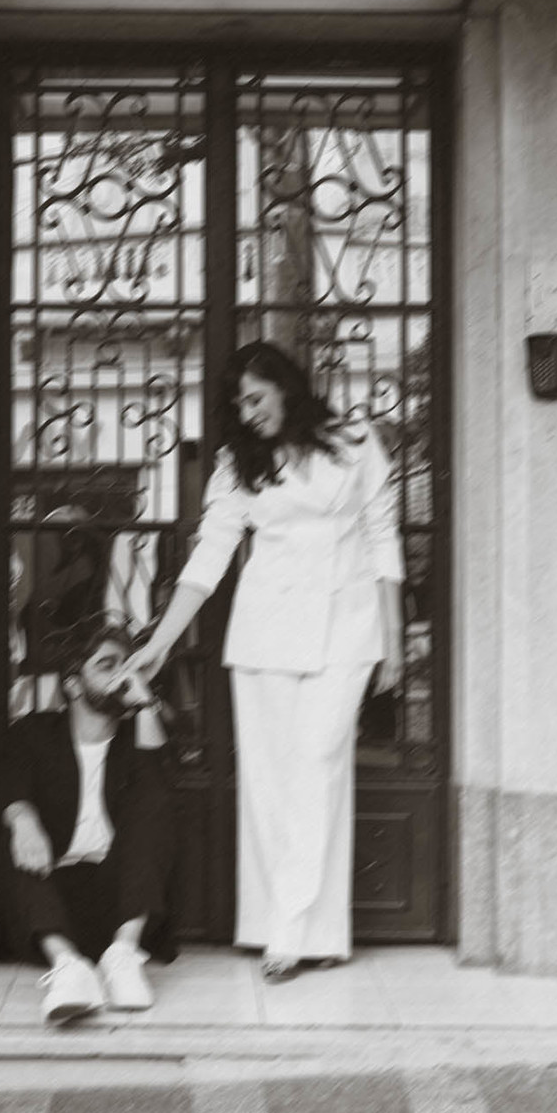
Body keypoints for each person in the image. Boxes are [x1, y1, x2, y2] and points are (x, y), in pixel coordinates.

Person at [127, 340, 404, 983]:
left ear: (285, 386)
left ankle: (290, 929)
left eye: (256, 398)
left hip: (347, 629)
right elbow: (209, 556)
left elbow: (383, 536)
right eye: (239, 406)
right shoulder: (237, 464)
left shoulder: (356, 441)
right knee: (271, 783)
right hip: (265, 634)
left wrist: (394, 642)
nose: (249, 414)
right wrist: (161, 640)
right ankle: (297, 930)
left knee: (317, 766)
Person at [0, 617, 178, 1024]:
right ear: (73, 685)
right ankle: (68, 968)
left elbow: (157, 785)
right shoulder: (35, 732)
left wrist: (143, 702)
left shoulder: (135, 738)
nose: (122, 675)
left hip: (120, 903)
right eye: (107, 666)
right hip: (51, 900)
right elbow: (9, 783)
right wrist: (23, 820)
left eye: (127, 665)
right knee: (14, 835)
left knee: (155, 801)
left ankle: (123, 957)